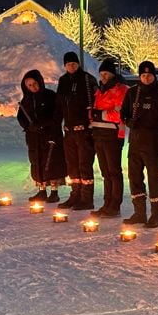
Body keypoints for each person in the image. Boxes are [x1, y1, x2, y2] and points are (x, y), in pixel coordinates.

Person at [120, 61, 158, 228]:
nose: (146, 77)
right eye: (143, 75)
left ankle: (156, 215)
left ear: (154, 76)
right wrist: (129, 122)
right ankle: (139, 212)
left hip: (153, 143)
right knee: (134, 178)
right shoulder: (133, 92)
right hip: (135, 142)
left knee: (154, 179)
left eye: (149, 75)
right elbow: (123, 113)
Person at [56, 51, 98, 211]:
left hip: (84, 131)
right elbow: (59, 104)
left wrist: (89, 125)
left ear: (78, 64)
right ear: (65, 66)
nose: (71, 66)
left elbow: (94, 103)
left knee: (84, 164)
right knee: (72, 165)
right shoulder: (63, 80)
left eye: (74, 63)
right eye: (68, 64)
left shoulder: (87, 80)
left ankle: (87, 198)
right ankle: (75, 195)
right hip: (69, 131)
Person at [17, 69, 67, 202]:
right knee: (37, 162)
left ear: (40, 81)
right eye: (29, 85)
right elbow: (21, 117)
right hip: (34, 137)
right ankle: (42, 190)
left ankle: (54, 192)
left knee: (52, 163)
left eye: (35, 83)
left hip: (50, 135)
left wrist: (42, 124)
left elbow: (57, 115)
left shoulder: (50, 96)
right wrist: (28, 127)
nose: (33, 87)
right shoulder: (26, 100)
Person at [89, 58, 129, 218]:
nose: (103, 76)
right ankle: (107, 203)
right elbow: (94, 109)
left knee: (113, 171)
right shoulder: (100, 90)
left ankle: (115, 205)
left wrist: (101, 114)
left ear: (113, 74)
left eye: (106, 74)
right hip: (99, 134)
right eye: (102, 74)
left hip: (112, 134)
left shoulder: (121, 89)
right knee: (105, 172)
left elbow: (120, 113)